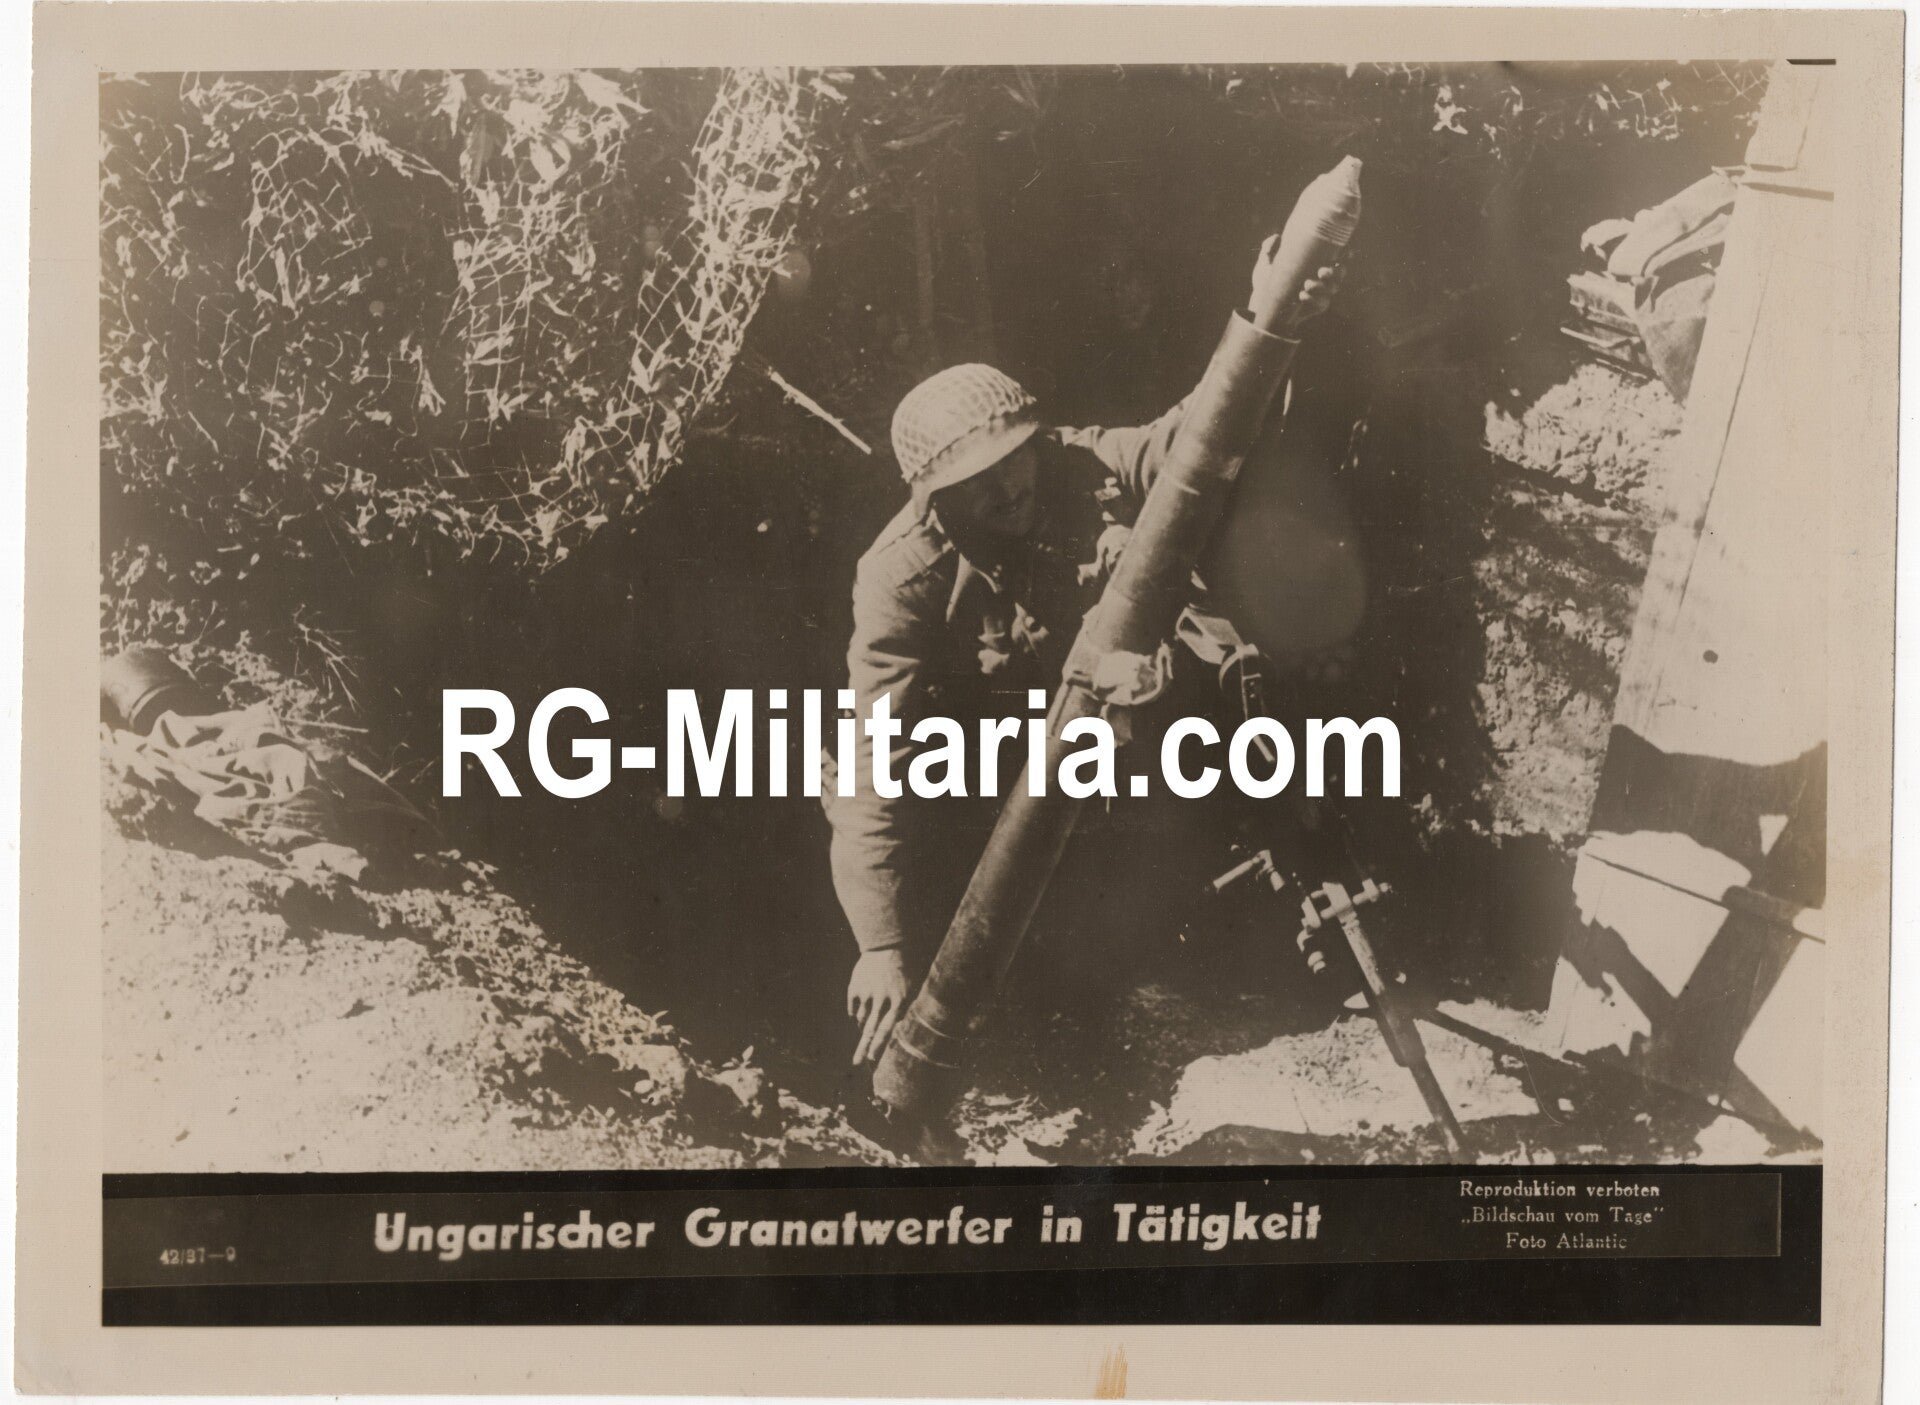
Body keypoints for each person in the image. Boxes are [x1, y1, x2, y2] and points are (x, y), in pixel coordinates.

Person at [827, 239, 1344, 1067]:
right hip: (990, 787)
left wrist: (1271, 318)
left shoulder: (1076, 465)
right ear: (936, 504)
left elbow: (1191, 433)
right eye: (976, 483)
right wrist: (879, 944)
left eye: (1015, 458)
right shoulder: (901, 577)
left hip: (1115, 746)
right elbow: (866, 766)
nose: (1009, 489)